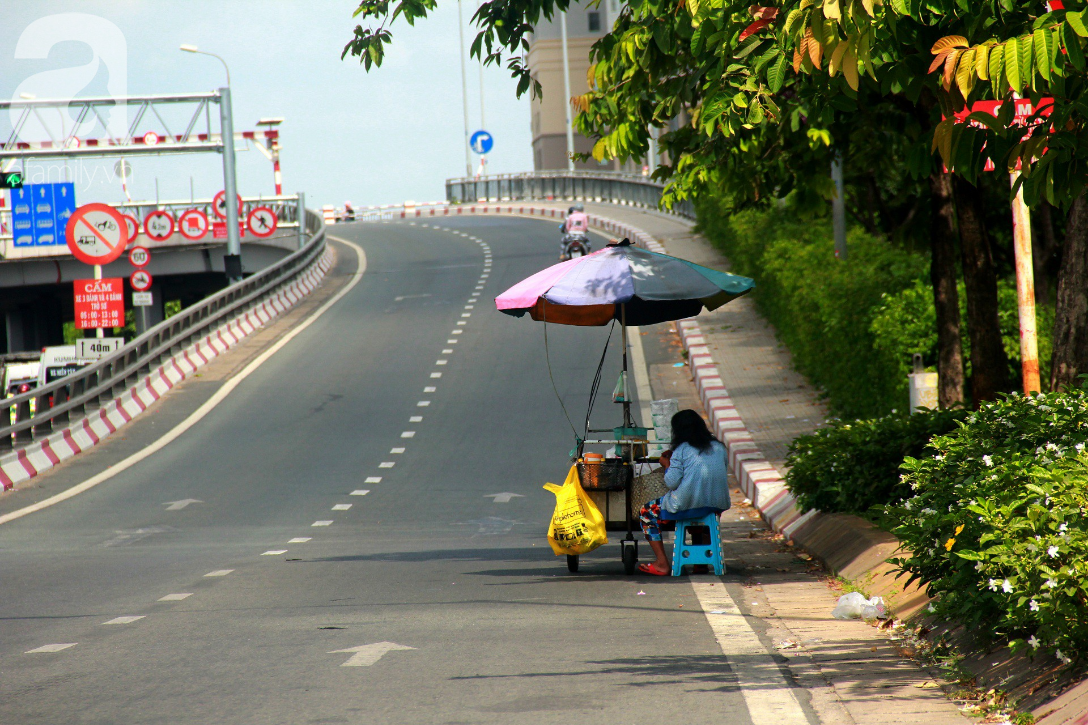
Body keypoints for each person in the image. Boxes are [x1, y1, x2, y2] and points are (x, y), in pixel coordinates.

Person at [637, 409, 730, 576]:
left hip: (687, 504)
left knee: (646, 512)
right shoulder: (719, 447)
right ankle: (701, 563)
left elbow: (672, 482)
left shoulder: (681, 450)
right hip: (716, 505)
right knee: (703, 512)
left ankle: (662, 563)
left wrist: (667, 464)